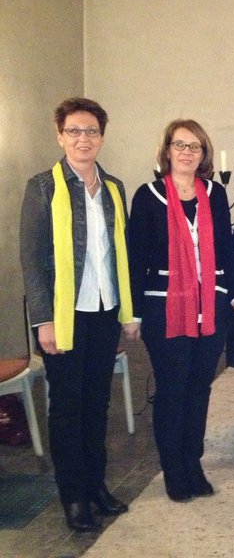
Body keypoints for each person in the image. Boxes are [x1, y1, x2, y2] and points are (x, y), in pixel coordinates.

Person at [19, 97, 137, 532]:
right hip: (64, 315)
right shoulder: (42, 187)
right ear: (60, 136)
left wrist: (129, 312)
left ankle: (96, 486)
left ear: (101, 137)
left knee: (98, 403)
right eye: (74, 131)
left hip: (104, 310)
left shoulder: (114, 188)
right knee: (68, 408)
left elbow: (120, 254)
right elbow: (32, 260)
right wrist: (44, 320)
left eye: (91, 131)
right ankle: (73, 497)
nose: (82, 139)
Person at [128, 119, 234, 502]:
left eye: (195, 146)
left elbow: (225, 248)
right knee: (173, 389)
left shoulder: (215, 193)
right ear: (167, 151)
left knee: (199, 389)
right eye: (180, 145)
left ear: (204, 153)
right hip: (165, 307)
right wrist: (134, 313)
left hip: (210, 306)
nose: (187, 152)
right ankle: (174, 469)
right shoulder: (148, 195)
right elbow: (135, 257)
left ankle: (193, 462)